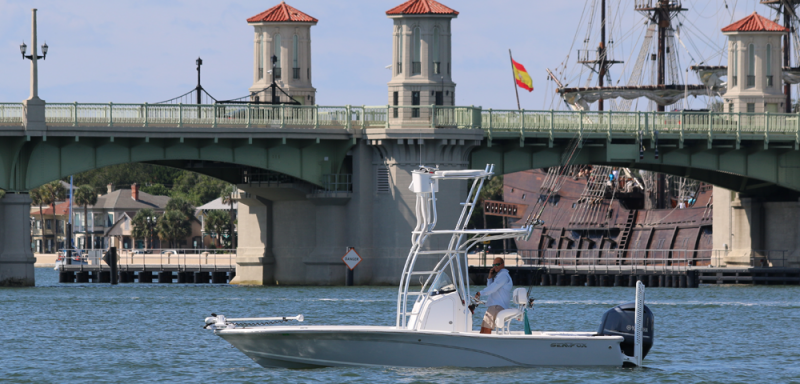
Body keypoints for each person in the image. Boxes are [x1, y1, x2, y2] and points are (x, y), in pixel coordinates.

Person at [474, 257, 513, 334]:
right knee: (483, 328)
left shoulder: (503, 275)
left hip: (496, 306)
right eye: (494, 264)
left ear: (503, 264)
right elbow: (491, 288)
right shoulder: (500, 275)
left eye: (497, 264)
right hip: (494, 306)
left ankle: (485, 344)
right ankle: (482, 344)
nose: (495, 266)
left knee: (486, 329)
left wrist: (479, 293)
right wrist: (490, 277)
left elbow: (492, 288)